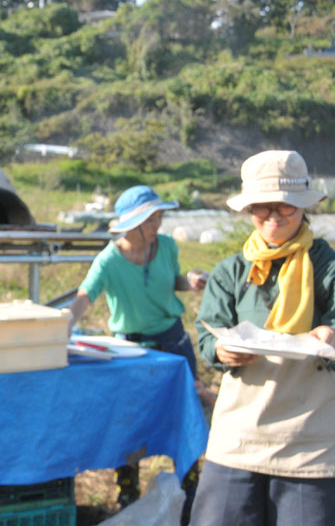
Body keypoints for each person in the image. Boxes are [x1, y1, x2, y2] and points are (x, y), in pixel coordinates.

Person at [189, 150, 335, 526]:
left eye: (286, 207)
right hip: (240, 434)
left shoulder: (332, 269)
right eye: (262, 208)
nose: (273, 217)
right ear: (248, 210)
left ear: (304, 207)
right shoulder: (232, 271)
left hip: (313, 439)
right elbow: (205, 336)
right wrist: (221, 349)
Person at [69, 185, 207, 516]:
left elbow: (174, 279)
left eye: (160, 216)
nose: (159, 223)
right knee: (128, 419)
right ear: (134, 224)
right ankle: (127, 490)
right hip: (130, 348)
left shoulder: (168, 246)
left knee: (184, 411)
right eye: (153, 217)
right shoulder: (109, 260)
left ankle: (191, 489)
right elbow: (86, 295)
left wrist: (190, 283)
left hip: (173, 341)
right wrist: (62, 325)